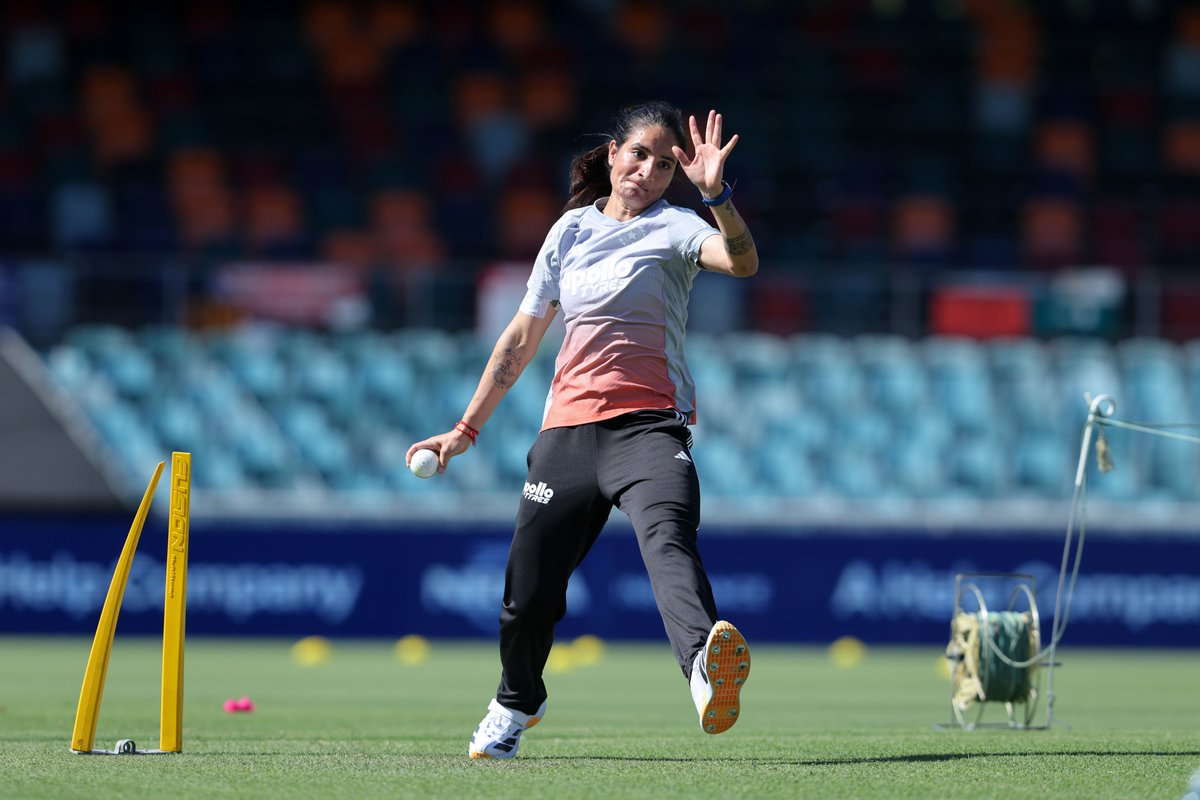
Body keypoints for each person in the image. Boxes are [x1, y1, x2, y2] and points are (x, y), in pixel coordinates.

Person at [406, 101, 759, 760]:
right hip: (567, 438)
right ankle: (517, 702)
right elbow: (519, 338)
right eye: (639, 155)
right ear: (614, 153)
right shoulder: (569, 232)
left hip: (649, 432)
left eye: (663, 163)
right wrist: (463, 430)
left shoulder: (679, 226)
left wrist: (719, 197)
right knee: (526, 598)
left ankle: (705, 675)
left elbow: (741, 262)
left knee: (668, 542)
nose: (649, 171)